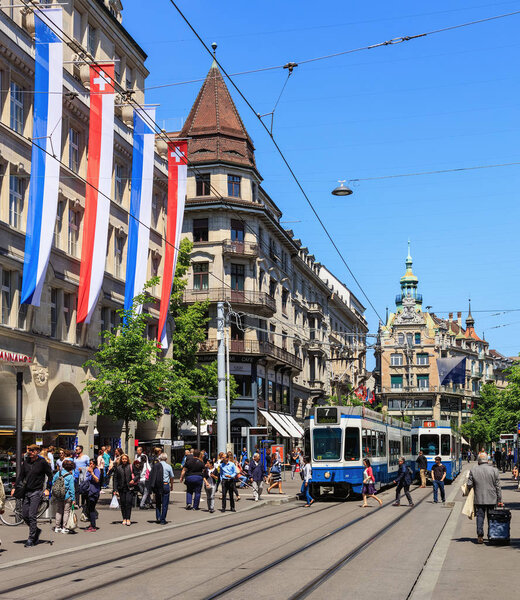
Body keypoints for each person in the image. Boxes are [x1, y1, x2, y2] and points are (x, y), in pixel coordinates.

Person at [12, 444, 53, 547]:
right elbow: (21, 476)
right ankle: (36, 531)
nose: (29, 452)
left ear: (37, 452)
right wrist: (14, 488)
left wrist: (48, 489)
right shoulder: (26, 462)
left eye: (31, 450)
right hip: (26, 491)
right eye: (29, 450)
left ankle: (31, 538)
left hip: (37, 491)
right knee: (24, 515)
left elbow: (50, 475)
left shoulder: (42, 462)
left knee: (32, 515)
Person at [467, 453, 503, 544]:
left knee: (480, 516)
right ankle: (492, 535)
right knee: (491, 517)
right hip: (492, 498)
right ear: (487, 460)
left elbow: (469, 484)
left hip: (479, 498)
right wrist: (500, 500)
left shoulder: (473, 470)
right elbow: (498, 486)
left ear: (478, 461)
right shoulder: (494, 470)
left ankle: (480, 535)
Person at [148, 453, 174, 524]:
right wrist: (171, 486)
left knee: (158, 502)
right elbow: (171, 477)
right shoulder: (168, 466)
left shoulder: (156, 466)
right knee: (165, 503)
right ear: (166, 459)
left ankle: (158, 517)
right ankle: (163, 519)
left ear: (159, 458)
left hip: (157, 485)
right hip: (165, 485)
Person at [52, 459, 76, 533]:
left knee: (59, 511)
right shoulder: (70, 476)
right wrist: (73, 498)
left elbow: (53, 482)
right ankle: (64, 527)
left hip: (58, 495)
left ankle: (57, 527)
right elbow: (72, 488)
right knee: (66, 512)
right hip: (67, 496)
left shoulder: (58, 473)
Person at [114, 453, 138, 526]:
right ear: (121, 460)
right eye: (123, 459)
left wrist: (133, 480)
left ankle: (128, 518)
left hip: (129, 488)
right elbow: (115, 479)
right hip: (121, 488)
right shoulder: (118, 468)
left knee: (128, 502)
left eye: (125, 459)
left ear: (127, 460)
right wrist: (115, 489)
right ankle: (124, 518)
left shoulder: (131, 466)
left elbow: (137, 474)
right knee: (123, 503)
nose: (124, 460)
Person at [84, 458, 101, 532]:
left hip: (94, 492)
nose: (91, 465)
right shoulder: (89, 470)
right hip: (88, 491)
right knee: (89, 508)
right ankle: (91, 524)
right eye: (90, 463)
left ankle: (93, 526)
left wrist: (92, 473)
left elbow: (97, 480)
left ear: (95, 464)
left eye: (92, 464)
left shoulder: (96, 470)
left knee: (92, 509)